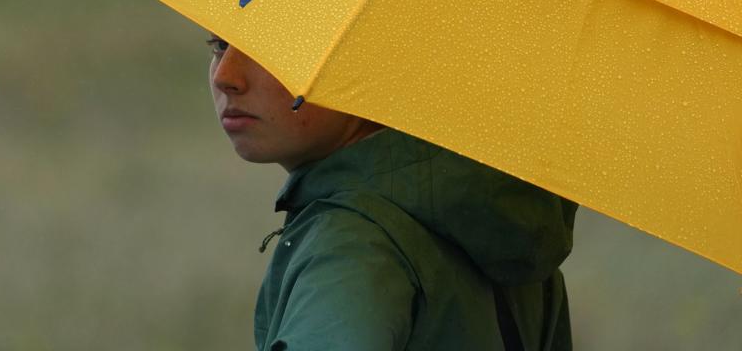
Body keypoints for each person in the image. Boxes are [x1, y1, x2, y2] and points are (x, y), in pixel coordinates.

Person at [207, 35, 577, 351]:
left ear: (372, 56)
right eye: (219, 45)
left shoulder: (353, 247)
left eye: (271, 47)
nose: (225, 76)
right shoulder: (500, 210)